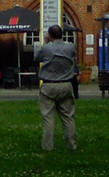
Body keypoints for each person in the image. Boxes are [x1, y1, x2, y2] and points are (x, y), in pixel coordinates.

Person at [34, 24, 78, 153]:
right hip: (66, 84)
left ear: (50, 35)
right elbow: (74, 56)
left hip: (49, 85)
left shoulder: (46, 48)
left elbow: (37, 57)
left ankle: (48, 147)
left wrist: (46, 42)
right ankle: (72, 145)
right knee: (68, 117)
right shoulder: (70, 47)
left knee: (48, 117)